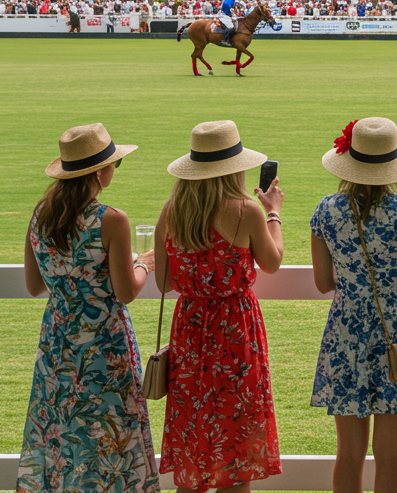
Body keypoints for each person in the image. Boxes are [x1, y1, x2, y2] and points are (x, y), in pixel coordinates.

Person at [19, 124, 159, 493]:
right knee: (112, 434)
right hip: (104, 346)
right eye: (115, 163)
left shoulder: (41, 214)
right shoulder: (111, 219)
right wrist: (143, 263)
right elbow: (126, 291)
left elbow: (34, 285)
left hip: (58, 343)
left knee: (63, 431)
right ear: (99, 172)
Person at [156, 120, 284, 493]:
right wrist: (273, 212)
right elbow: (272, 261)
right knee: (237, 452)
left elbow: (164, 282)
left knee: (194, 445)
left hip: (190, 331)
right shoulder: (246, 211)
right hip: (235, 333)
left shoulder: (172, 211)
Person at [310, 117, 397, 493]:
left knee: (348, 454)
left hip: (347, 331)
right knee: (390, 455)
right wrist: (395, 273)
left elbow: (322, 283)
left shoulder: (327, 210)